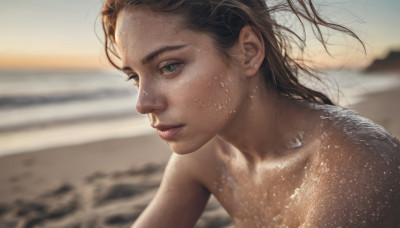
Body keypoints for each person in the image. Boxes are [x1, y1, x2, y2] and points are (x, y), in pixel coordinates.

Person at [101, 0, 400, 227]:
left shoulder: (358, 162)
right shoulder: (204, 157)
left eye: (169, 66)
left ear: (248, 51)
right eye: (135, 76)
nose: (143, 103)